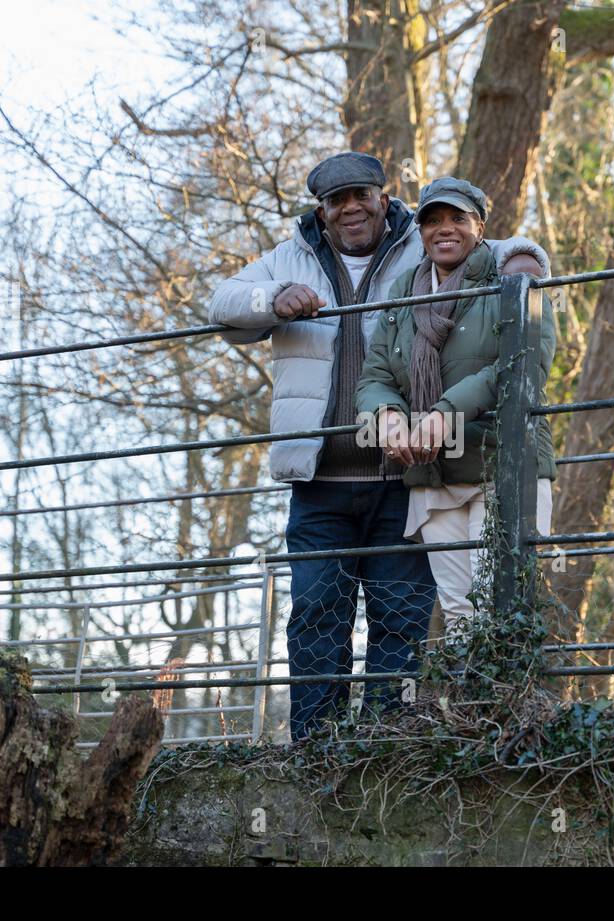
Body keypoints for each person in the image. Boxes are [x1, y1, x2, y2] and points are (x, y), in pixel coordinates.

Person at [209, 153, 549, 740]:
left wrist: (526, 259)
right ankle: (316, 749)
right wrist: (274, 298)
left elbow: (478, 241)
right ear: (321, 209)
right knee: (316, 611)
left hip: (403, 477)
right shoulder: (291, 256)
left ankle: (385, 747)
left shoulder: (416, 243)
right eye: (336, 200)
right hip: (319, 480)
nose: (350, 208)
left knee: (402, 617)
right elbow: (221, 302)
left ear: (383, 197)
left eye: (361, 195)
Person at [355, 176, 557, 631]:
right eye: (432, 221)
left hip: (501, 465)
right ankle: (468, 704)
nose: (444, 229)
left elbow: (522, 365)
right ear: (420, 231)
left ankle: (509, 701)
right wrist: (387, 417)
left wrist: (442, 415)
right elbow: (376, 375)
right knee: (458, 611)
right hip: (433, 475)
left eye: (457, 219)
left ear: (480, 226)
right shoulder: (405, 291)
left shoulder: (513, 278)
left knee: (499, 603)